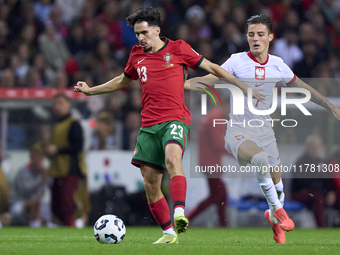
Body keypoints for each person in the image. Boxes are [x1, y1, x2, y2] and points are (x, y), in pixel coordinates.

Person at [74, 6, 263, 244]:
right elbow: (122, 80)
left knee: (173, 159)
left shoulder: (179, 48)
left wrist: (242, 86)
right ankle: (167, 233)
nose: (140, 38)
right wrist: (91, 91)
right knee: (150, 183)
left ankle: (180, 213)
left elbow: (213, 68)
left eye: (144, 32)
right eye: (137, 34)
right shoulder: (136, 55)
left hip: (175, 119)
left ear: (157, 30)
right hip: (148, 125)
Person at [186, 14, 340, 244]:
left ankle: (274, 217)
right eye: (250, 35)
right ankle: (279, 211)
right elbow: (210, 78)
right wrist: (183, 84)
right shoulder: (236, 61)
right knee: (260, 160)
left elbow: (303, 88)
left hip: (266, 133)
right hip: (238, 131)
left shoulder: (278, 65)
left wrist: (330, 106)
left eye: (260, 34)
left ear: (270, 36)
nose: (255, 39)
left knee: (278, 186)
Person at [45, 93, 88, 226]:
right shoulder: (56, 124)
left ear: (68, 105)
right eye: (55, 104)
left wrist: (57, 150)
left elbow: (78, 147)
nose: (57, 107)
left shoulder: (74, 124)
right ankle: (64, 227)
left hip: (70, 169)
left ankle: (72, 226)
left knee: (67, 204)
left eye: (61, 103)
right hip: (57, 169)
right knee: (56, 205)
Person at [186, 104, 230, 227]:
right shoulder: (217, 117)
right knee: (216, 195)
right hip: (211, 162)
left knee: (222, 195)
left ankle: (223, 224)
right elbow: (218, 143)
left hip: (207, 161)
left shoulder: (211, 115)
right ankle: (186, 219)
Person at [292, 135, 336, 227]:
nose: (315, 149)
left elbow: (328, 181)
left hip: (318, 193)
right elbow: (304, 183)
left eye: (317, 146)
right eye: (313, 146)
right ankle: (321, 227)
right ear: (307, 147)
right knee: (318, 198)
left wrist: (331, 192)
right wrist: (324, 193)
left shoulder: (321, 162)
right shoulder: (301, 162)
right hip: (302, 192)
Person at [9, 142, 50, 227]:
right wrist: (41, 180)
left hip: (36, 205)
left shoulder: (43, 172)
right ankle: (34, 225)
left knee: (47, 208)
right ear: (31, 157)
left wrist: (47, 178)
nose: (39, 160)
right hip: (18, 204)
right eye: (36, 157)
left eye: (40, 157)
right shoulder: (23, 171)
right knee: (35, 204)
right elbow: (26, 190)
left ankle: (38, 223)